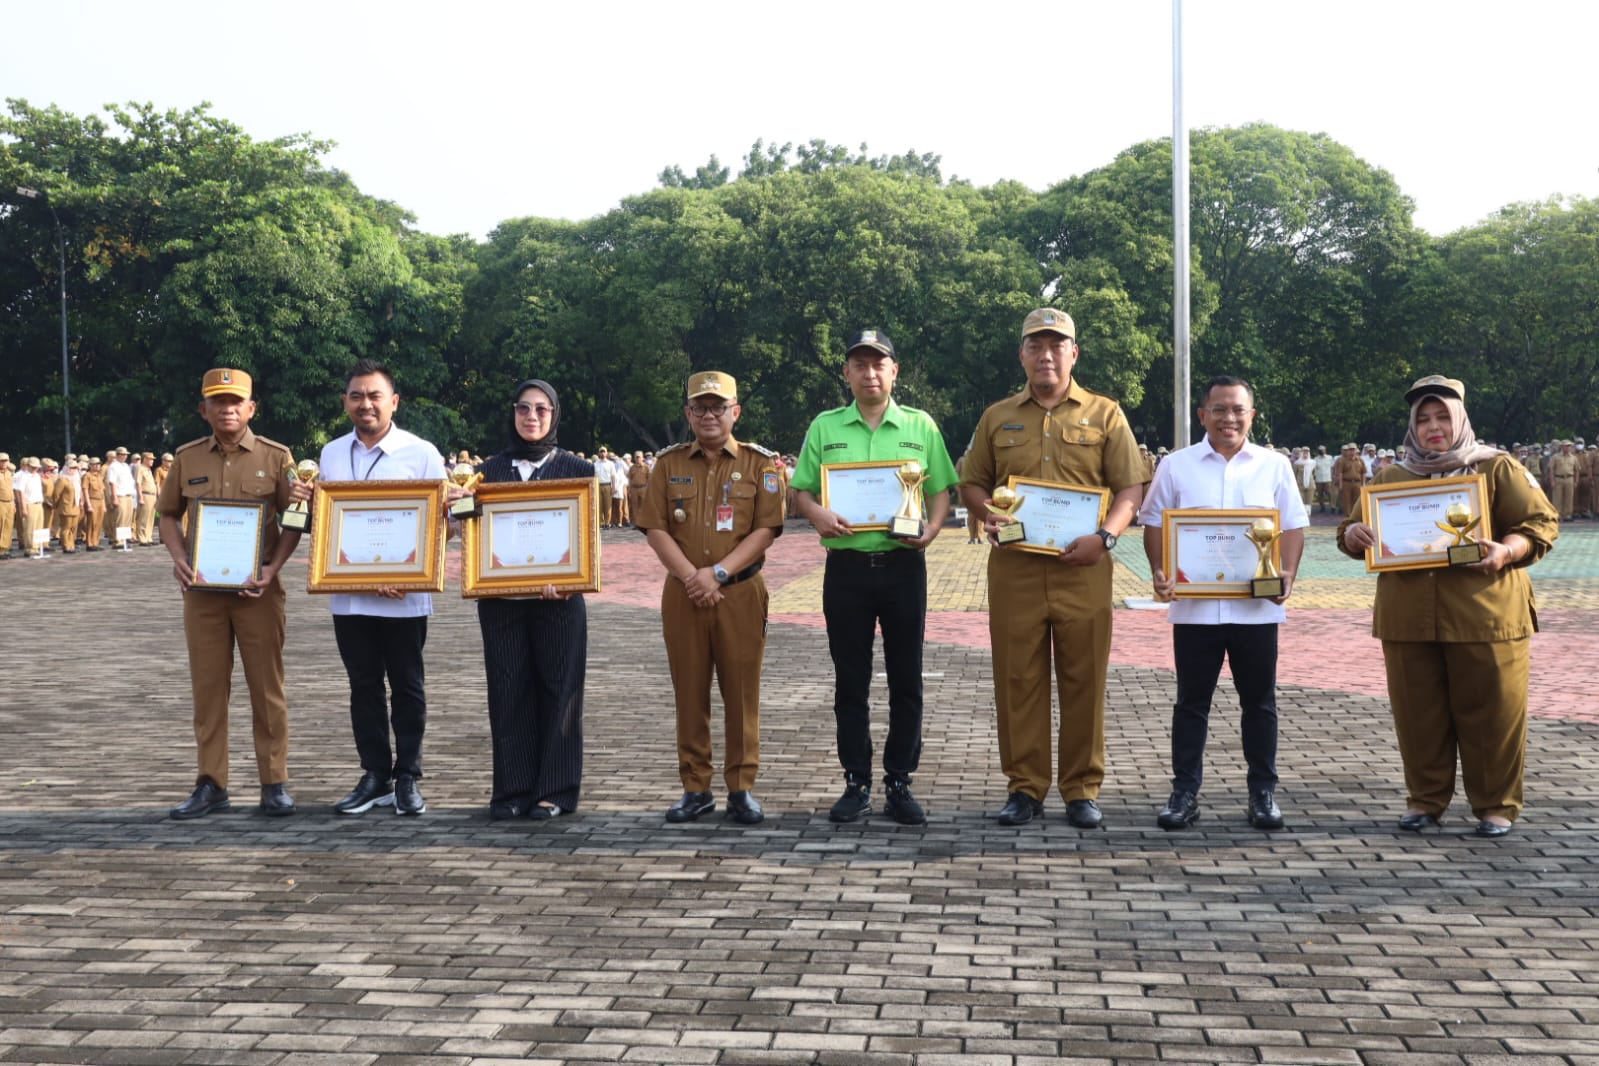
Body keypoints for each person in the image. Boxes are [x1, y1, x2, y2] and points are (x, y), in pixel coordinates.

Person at [1337, 375, 1557, 837]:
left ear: (1460, 419)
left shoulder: (1496, 468)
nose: (1433, 427)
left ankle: (1496, 805)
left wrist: (1506, 551)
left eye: (1442, 416)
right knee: (1418, 717)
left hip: (1487, 616)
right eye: (1423, 419)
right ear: (1412, 426)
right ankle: (1425, 801)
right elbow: (1352, 531)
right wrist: (1352, 536)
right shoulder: (1392, 477)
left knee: (1494, 714)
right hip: (1408, 619)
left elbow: (1540, 523)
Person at [958, 307, 1144, 829]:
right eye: (1035, 346)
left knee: (1085, 678)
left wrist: (1107, 536)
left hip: (1084, 567)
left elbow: (1132, 485)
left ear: (1073, 353)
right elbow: (971, 482)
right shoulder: (997, 416)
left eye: (1056, 345)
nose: (1046, 354)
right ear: (1021, 354)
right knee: (1018, 680)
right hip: (1015, 568)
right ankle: (1025, 788)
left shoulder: (1106, 414)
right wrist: (986, 513)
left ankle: (1081, 788)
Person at [790, 328, 958, 825]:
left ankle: (900, 780)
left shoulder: (920, 425)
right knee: (851, 680)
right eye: (859, 364)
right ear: (847, 373)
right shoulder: (825, 426)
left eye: (878, 363)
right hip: (846, 569)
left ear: (894, 371)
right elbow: (801, 491)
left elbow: (942, 488)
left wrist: (930, 529)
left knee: (907, 678)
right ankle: (856, 780)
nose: (869, 372)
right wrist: (816, 514)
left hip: (904, 565)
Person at [1139, 376, 1309, 831]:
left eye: (1238, 410)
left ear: (1252, 415)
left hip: (1256, 609)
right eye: (1219, 409)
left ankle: (1263, 794)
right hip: (1194, 610)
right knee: (1191, 704)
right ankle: (1184, 793)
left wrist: (1286, 574)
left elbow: (1292, 526)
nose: (1229, 418)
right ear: (1203, 415)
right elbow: (1153, 521)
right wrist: (1160, 571)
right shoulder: (1177, 466)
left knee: (1260, 704)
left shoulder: (1274, 466)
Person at [638, 371, 784, 825]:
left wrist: (718, 573)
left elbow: (766, 530)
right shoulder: (668, 464)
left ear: (735, 411)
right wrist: (692, 577)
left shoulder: (760, 465)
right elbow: (655, 527)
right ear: (688, 414)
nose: (708, 415)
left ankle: (741, 787)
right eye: (699, 407)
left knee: (742, 694)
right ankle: (695, 787)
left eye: (718, 407)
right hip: (684, 594)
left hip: (739, 593)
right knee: (690, 691)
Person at [158, 368, 303, 819]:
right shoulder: (186, 458)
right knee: (208, 690)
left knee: (267, 688)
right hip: (202, 594)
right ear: (204, 410)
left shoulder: (277, 458)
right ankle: (211, 782)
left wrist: (272, 567)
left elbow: (295, 519)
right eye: (218, 402)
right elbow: (166, 515)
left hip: (256, 592)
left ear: (252, 408)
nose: (228, 409)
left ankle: (274, 782)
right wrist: (179, 557)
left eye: (236, 401)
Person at [316, 359, 449, 817]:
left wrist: (410, 572)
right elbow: (327, 524)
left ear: (394, 401)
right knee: (363, 686)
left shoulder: (421, 453)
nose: (365, 404)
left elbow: (442, 524)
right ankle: (374, 774)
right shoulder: (331, 454)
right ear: (345, 402)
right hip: (349, 596)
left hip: (404, 597)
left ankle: (408, 775)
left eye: (375, 396)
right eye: (356, 396)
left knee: (408, 686)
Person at [472, 378, 594, 819]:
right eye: (523, 408)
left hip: (559, 599)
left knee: (560, 691)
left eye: (541, 409)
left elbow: (585, 537)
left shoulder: (578, 468)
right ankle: (512, 790)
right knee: (508, 691)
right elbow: (471, 530)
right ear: (513, 413)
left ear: (555, 414)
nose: (532, 417)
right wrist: (464, 504)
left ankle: (555, 791)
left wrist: (566, 577)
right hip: (502, 601)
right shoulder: (487, 471)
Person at [1333, 443, 1366, 516]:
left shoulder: (1360, 460)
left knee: (1357, 501)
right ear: (1347, 451)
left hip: (1357, 483)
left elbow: (1363, 473)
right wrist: (1340, 485)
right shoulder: (1343, 460)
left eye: (1353, 449)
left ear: (1356, 450)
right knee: (1346, 501)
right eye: (1350, 450)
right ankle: (1348, 517)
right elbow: (1340, 473)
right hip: (1346, 483)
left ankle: (1356, 517)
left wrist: (1363, 484)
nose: (1352, 451)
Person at [594, 447, 615, 527]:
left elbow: (613, 476)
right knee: (599, 505)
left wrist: (614, 487)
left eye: (604, 452)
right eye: (601, 452)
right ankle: (601, 523)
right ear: (599, 453)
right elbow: (593, 476)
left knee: (608, 505)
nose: (602, 453)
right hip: (598, 485)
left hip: (607, 485)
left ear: (607, 453)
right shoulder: (595, 464)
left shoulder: (610, 464)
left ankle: (607, 522)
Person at [0, 452, 14, 558]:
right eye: (2, 461)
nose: (4, 463)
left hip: (10, 502)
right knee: (1, 526)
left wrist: (14, 504)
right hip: (0, 502)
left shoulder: (9, 473)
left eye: (6, 461)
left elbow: (11, 489)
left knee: (9, 527)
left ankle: (5, 549)